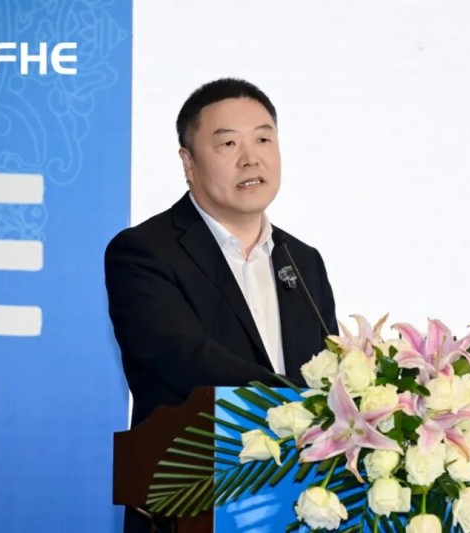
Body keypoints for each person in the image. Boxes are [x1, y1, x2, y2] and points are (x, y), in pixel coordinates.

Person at [104, 78, 338, 533]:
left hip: (295, 507)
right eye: (229, 143)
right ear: (188, 162)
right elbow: (184, 359)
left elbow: (325, 367)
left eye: (263, 139)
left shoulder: (302, 260)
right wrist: (304, 401)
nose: (251, 158)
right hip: (192, 504)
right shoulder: (144, 252)